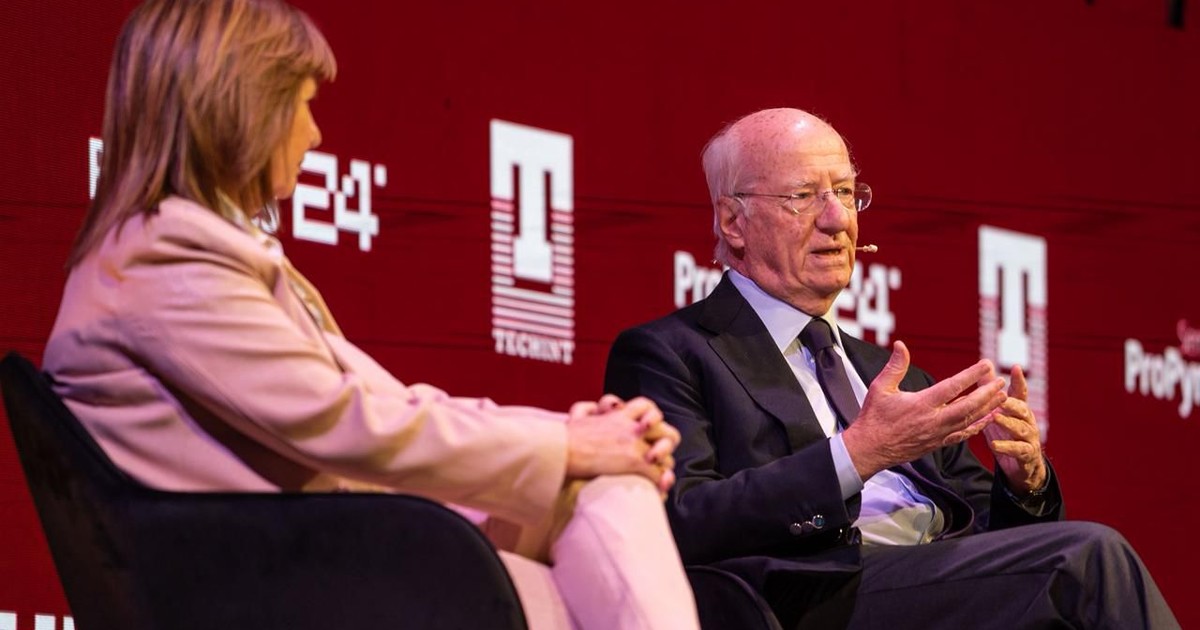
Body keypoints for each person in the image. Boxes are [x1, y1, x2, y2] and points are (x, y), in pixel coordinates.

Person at [43, 1, 700, 628]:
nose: (315, 134)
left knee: (608, 482)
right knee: (594, 523)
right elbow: (347, 423)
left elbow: (387, 403)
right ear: (246, 106)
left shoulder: (183, 252)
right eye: (303, 104)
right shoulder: (168, 259)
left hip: (333, 547)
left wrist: (579, 435)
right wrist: (570, 445)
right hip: (287, 574)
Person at [604, 107, 1177, 628]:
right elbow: (681, 519)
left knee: (1074, 570)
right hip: (815, 599)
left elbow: (1001, 554)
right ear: (734, 222)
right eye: (803, 196)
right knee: (1088, 559)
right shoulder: (672, 352)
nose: (837, 219)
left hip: (932, 587)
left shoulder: (887, 372)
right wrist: (858, 455)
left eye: (845, 192)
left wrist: (1023, 484)